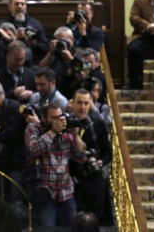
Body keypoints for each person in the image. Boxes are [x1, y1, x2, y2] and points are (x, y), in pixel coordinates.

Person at [25, 102, 85, 226]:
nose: (58, 121)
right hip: (46, 191)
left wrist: (75, 135)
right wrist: (53, 131)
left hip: (66, 190)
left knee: (71, 227)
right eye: (54, 118)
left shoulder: (66, 130)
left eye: (60, 117)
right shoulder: (34, 128)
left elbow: (81, 157)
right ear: (43, 118)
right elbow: (33, 149)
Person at [68, 89, 111, 225]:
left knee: (95, 218)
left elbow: (108, 151)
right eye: (79, 103)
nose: (82, 107)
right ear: (72, 103)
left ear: (90, 104)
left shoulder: (98, 124)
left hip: (93, 176)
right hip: (70, 176)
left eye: (86, 103)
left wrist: (101, 161)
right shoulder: (64, 123)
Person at [0, 0, 49, 66]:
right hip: (7, 63)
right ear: (10, 7)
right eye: (16, 4)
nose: (20, 6)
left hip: (32, 64)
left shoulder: (35, 24)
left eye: (22, 4)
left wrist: (34, 45)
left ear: (26, 7)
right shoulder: (3, 24)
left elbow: (45, 48)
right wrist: (13, 40)